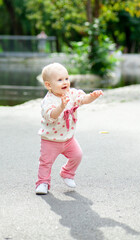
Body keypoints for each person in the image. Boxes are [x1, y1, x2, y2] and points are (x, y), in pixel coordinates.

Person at [35, 62, 103, 195]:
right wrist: (61, 106)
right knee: (46, 162)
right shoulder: (48, 101)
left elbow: (83, 99)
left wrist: (92, 97)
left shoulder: (71, 94)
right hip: (50, 139)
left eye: (66, 78)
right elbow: (51, 116)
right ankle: (43, 182)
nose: (65, 82)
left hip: (68, 138)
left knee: (77, 155)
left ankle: (67, 173)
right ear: (48, 85)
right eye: (60, 80)